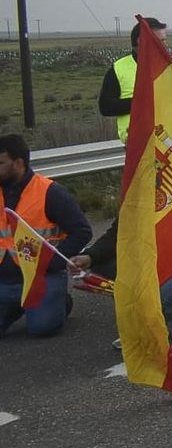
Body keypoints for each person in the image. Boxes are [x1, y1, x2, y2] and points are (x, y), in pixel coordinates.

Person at [71, 216, 172, 344]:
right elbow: (119, 233)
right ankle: (151, 327)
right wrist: (90, 257)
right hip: (166, 264)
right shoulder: (139, 189)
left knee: (148, 303)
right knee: (103, 263)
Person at [0, 134, 92, 338]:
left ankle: (60, 301)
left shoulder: (49, 192)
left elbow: (82, 231)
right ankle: (18, 306)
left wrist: (52, 262)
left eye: (1, 163)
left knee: (42, 328)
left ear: (18, 163)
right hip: (4, 281)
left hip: (41, 278)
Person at [96, 18, 172, 140]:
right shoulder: (118, 69)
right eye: (160, 41)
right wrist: (145, 102)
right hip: (139, 147)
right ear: (141, 41)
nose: (165, 45)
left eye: (165, 40)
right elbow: (106, 107)